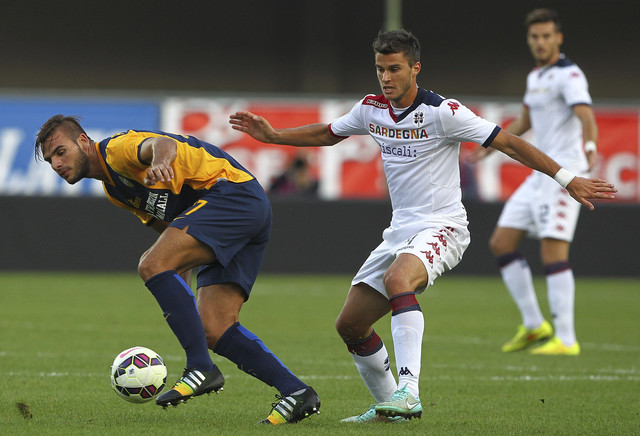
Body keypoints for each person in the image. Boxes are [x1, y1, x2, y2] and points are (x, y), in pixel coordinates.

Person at [229, 29, 615, 423]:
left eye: (394, 68)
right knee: (351, 324)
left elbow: (509, 143)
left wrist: (568, 178)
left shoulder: (443, 112)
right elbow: (329, 134)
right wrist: (273, 135)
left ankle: (408, 392)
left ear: (415, 68)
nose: (386, 77)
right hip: (400, 231)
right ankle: (390, 411)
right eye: (380, 69)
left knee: (400, 280)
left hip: (443, 226)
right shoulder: (370, 109)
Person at [34, 115, 320, 425]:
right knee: (213, 327)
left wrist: (160, 162)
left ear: (84, 142)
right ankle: (296, 392)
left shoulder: (116, 150)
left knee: (150, 264)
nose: (56, 163)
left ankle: (201, 368)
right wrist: (177, 296)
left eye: (60, 151)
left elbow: (163, 144)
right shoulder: (114, 191)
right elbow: (170, 236)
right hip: (238, 210)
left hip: (231, 195)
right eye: (50, 159)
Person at [468, 9, 599, 356]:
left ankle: (566, 339)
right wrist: (489, 148)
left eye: (546, 36)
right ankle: (533, 325)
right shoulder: (535, 76)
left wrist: (590, 145)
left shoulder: (569, 75)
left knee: (552, 251)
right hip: (540, 175)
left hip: (564, 175)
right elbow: (526, 119)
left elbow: (586, 113)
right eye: (534, 37)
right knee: (501, 242)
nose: (540, 42)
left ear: (558, 38)